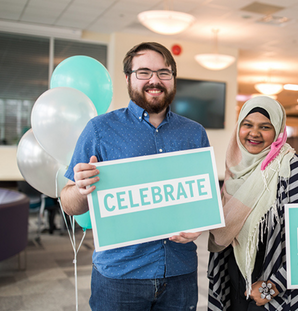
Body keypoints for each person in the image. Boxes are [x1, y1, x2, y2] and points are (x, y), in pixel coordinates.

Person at [60, 42, 209, 310]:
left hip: (180, 273)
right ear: (128, 77)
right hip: (120, 276)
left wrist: (199, 225)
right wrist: (81, 189)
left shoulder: (194, 133)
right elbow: (69, 204)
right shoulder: (99, 130)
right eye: (144, 72)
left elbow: (200, 200)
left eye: (164, 72)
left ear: (173, 79)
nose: (155, 80)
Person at [207, 96, 298, 310]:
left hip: (279, 295)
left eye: (265, 127)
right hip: (236, 287)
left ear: (277, 131)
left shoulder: (294, 171)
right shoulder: (235, 172)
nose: (254, 133)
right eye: (247, 124)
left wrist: (272, 286)